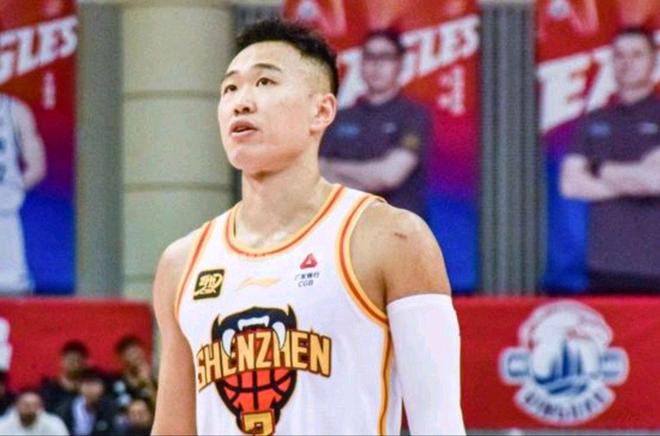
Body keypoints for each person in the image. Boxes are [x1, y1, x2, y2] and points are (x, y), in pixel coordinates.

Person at [152, 18, 464, 435]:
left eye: (264, 82)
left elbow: (439, 425)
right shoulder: (181, 263)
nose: (241, 102)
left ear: (321, 111)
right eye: (230, 89)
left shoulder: (392, 238)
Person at [560, 27, 660, 293]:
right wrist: (636, 178)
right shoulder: (595, 119)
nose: (627, 63)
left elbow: (656, 182)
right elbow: (571, 185)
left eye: (637, 55)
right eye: (620, 55)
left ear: (654, 60)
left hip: (655, 266)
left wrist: (598, 168)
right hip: (605, 265)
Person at [320, 28, 431, 218]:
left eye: (385, 57)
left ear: (400, 63)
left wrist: (335, 168)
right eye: (370, 57)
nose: (377, 65)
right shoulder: (339, 117)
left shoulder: (413, 115)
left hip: (399, 227)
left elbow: (389, 176)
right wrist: (369, 175)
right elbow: (318, 175)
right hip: (347, 225)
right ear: (361, 63)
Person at [0, 93, 47, 295]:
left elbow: (37, 167)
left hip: (5, 220)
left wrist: (12, 190)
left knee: (11, 288)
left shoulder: (14, 111)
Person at [56, 369, 118, 436]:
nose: (90, 389)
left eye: (94, 384)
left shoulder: (110, 407)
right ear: (79, 386)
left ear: (102, 387)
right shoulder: (66, 407)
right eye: (87, 384)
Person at [40, 341, 89, 413]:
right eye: (71, 361)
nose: (75, 365)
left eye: (78, 361)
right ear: (62, 361)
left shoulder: (90, 387)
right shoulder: (49, 388)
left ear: (85, 363)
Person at [109, 336, 156, 410]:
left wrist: (148, 383)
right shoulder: (117, 382)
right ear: (121, 358)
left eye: (138, 352)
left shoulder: (155, 378)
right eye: (131, 354)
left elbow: (161, 407)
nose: (136, 357)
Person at [0, 389, 68, 435]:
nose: (30, 409)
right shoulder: (3, 425)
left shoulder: (54, 424)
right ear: (16, 406)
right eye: (26, 405)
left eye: (35, 405)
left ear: (41, 407)